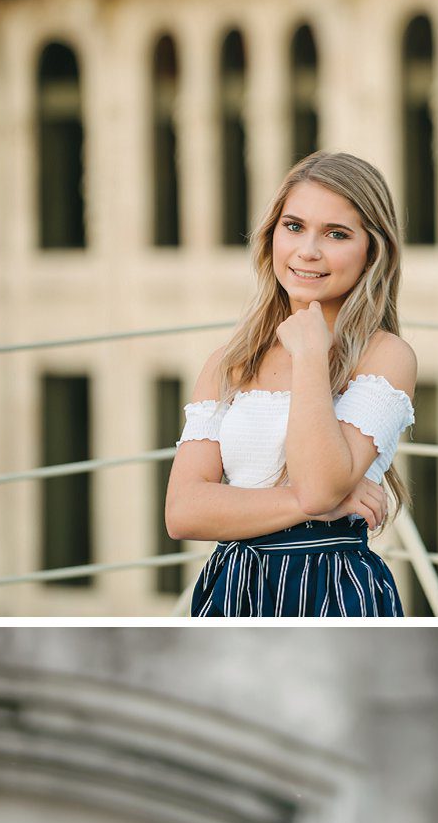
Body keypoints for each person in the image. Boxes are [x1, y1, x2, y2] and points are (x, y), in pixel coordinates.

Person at [168, 151, 415, 617]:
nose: (308, 251)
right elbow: (183, 511)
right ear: (272, 235)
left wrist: (309, 357)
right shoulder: (228, 363)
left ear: (372, 250)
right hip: (232, 584)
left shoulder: (387, 356)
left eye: (337, 234)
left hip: (333, 588)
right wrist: (319, 503)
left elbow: (319, 484)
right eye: (294, 226)